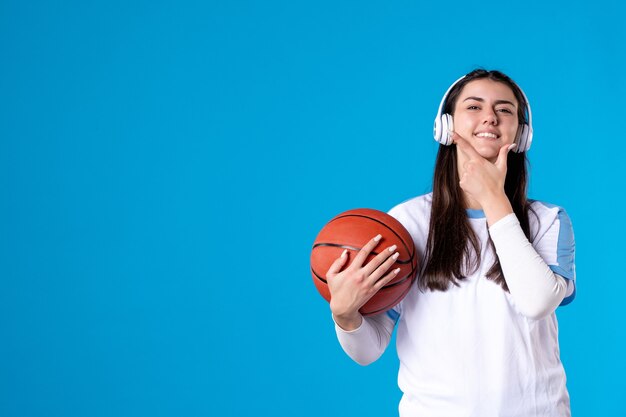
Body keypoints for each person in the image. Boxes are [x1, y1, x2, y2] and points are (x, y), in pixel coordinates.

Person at [325, 69, 576, 417]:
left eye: (505, 110)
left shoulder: (547, 220)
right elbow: (368, 351)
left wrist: (493, 199)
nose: (490, 116)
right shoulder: (406, 222)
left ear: (522, 133)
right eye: (474, 107)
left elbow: (536, 302)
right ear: (446, 127)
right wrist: (345, 315)